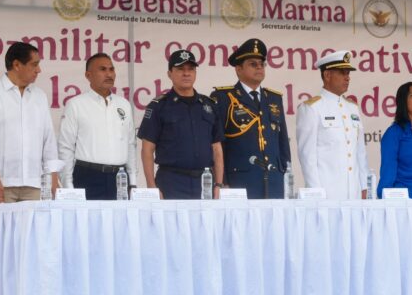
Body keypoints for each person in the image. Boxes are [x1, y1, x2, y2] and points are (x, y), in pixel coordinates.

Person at [0, 42, 62, 228]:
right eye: (34, 64)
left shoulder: (39, 96)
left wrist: (53, 177)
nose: (39, 70)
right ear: (17, 65)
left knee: (33, 239)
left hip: (34, 184)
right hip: (0, 184)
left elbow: (48, 139)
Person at [138, 49, 225, 199]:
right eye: (180, 69)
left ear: (195, 73)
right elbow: (147, 150)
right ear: (169, 74)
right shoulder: (159, 106)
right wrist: (152, 187)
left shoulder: (209, 105)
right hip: (171, 182)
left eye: (190, 69)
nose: (186, 73)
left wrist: (219, 184)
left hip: (205, 182)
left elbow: (217, 149)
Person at [211, 38, 291, 199]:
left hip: (274, 180)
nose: (259, 67)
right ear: (238, 69)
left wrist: (286, 175)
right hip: (239, 181)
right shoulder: (224, 97)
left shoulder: (274, 98)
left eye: (262, 64)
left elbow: (282, 142)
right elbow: (218, 143)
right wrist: (222, 181)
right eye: (253, 64)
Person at [57, 53, 137, 200]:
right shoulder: (76, 104)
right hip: (87, 177)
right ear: (88, 75)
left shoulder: (124, 105)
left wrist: (133, 182)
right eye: (102, 69)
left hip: (119, 178)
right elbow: (66, 147)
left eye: (111, 69)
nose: (109, 74)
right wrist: (68, 185)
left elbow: (130, 145)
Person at [296, 50, 368, 200]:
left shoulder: (352, 108)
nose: (347, 77)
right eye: (342, 73)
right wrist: (316, 193)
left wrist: (363, 187)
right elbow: (307, 156)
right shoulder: (311, 108)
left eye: (348, 73)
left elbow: (360, 153)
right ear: (327, 75)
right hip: (327, 194)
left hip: (354, 193)